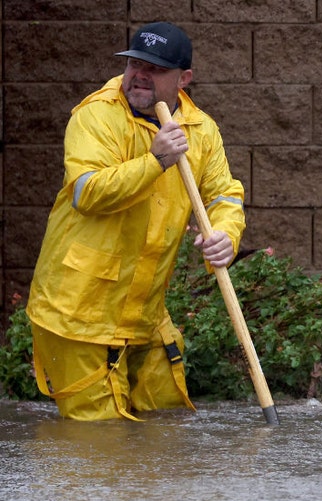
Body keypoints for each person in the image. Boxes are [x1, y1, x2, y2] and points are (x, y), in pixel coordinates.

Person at [26, 22, 246, 421]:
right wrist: (155, 160)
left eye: (156, 69)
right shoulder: (96, 116)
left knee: (167, 422)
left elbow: (224, 193)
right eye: (134, 64)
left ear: (184, 79)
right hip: (78, 313)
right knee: (100, 441)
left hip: (144, 311)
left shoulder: (201, 129)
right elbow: (87, 193)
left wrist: (226, 234)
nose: (140, 74)